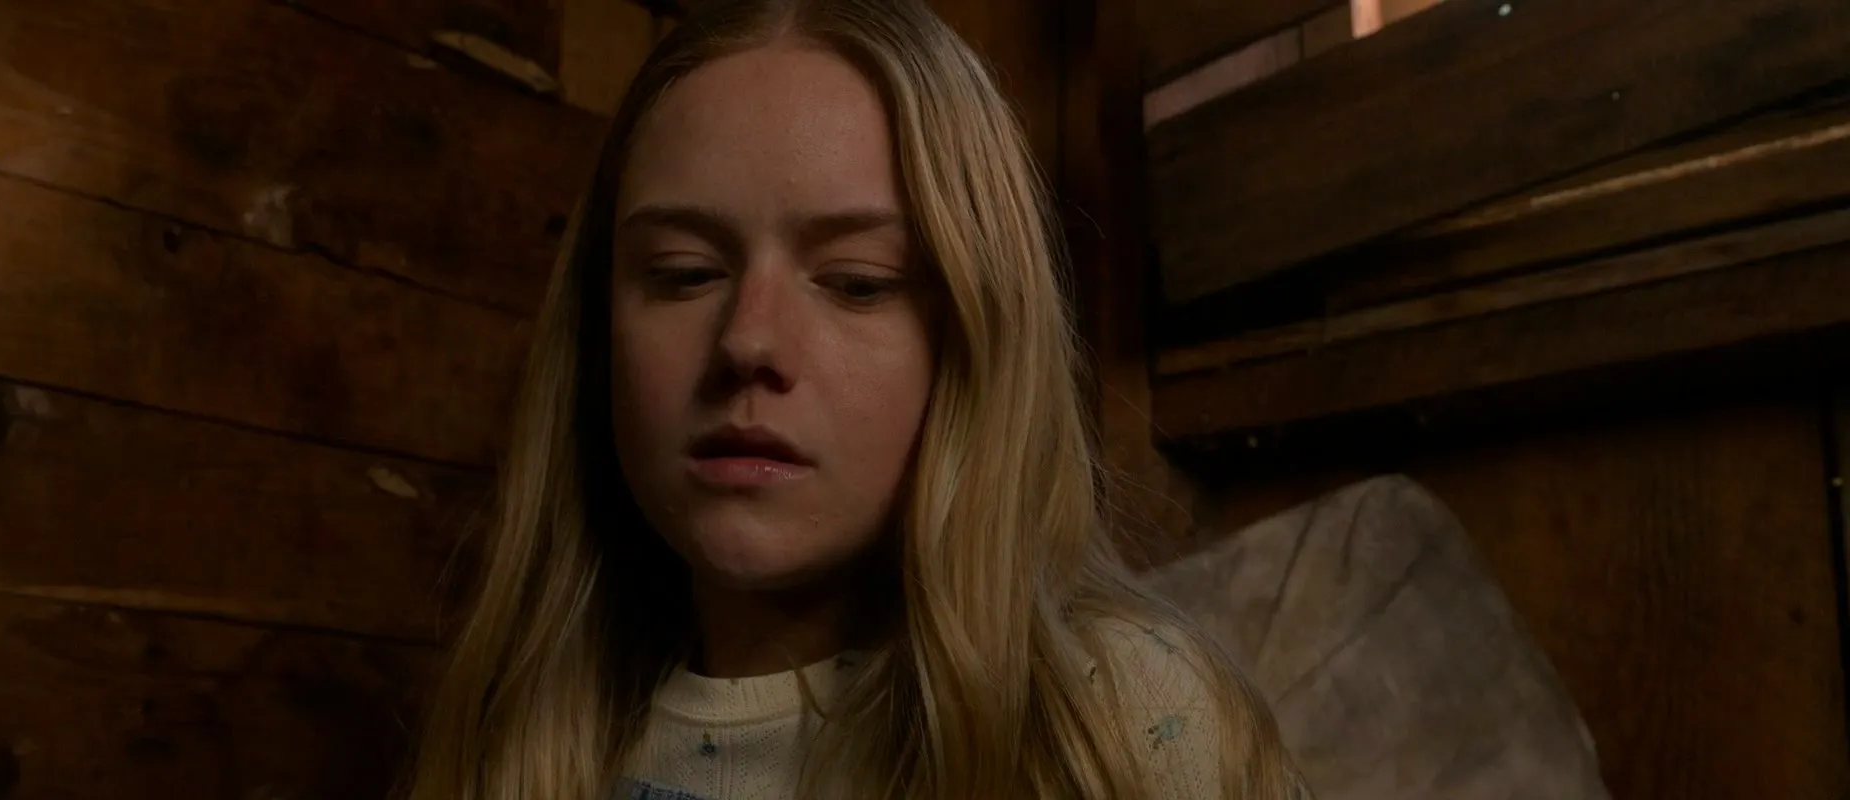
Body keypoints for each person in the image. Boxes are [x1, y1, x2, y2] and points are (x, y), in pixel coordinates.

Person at [405, 0, 1309, 797]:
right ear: (596, 327)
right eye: (684, 272)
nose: (749, 341)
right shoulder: (512, 739)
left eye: (858, 282)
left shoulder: (1116, 729)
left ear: (974, 339)